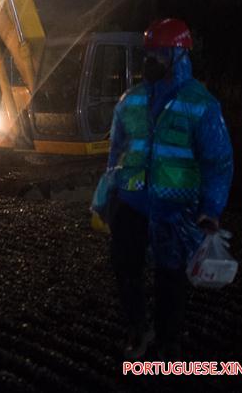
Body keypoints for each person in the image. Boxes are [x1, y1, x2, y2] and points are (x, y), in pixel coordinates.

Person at [94, 18, 233, 359]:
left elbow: (218, 162)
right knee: (125, 271)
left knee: (169, 278)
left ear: (178, 55)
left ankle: (169, 342)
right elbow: (116, 153)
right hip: (130, 204)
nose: (149, 61)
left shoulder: (202, 105)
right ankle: (138, 330)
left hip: (174, 209)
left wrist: (211, 209)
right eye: (147, 53)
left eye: (157, 54)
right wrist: (106, 196)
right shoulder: (130, 101)